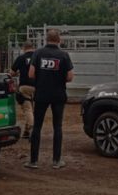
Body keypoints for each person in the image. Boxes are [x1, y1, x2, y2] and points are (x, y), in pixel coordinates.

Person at [24, 29, 74, 170]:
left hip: (41, 94)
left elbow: (31, 73)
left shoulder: (38, 53)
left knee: (38, 126)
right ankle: (56, 161)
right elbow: (70, 77)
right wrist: (59, 77)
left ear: (46, 39)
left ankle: (33, 161)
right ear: (59, 40)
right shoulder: (63, 55)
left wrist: (42, 78)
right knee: (57, 127)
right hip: (58, 94)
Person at [9, 41, 36, 139]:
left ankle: (32, 129)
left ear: (24, 48)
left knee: (28, 109)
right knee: (35, 110)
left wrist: (18, 73)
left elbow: (11, 73)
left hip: (25, 86)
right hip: (39, 87)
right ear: (33, 47)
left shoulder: (21, 58)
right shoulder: (39, 57)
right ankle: (27, 131)